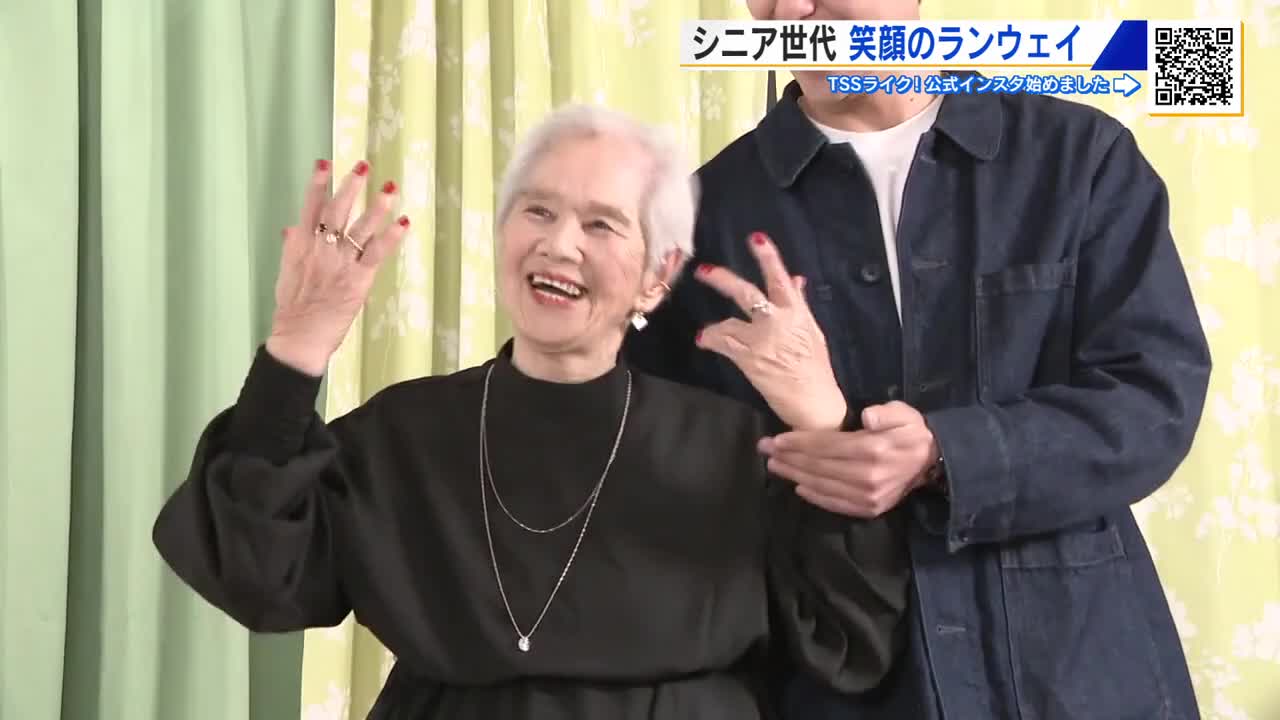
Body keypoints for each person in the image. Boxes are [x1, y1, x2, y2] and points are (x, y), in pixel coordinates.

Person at [151, 104, 912, 719]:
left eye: (601, 224)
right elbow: (258, 576)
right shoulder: (402, 433)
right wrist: (296, 351)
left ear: (659, 274)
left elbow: (852, 637)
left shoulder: (733, 447)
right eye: (537, 211)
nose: (559, 245)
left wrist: (825, 422)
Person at [622, 1, 1213, 718]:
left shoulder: (1078, 156)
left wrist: (946, 453)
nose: (794, 10)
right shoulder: (702, 215)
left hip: (1077, 673)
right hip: (839, 682)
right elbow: (665, 480)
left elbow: (1154, 400)